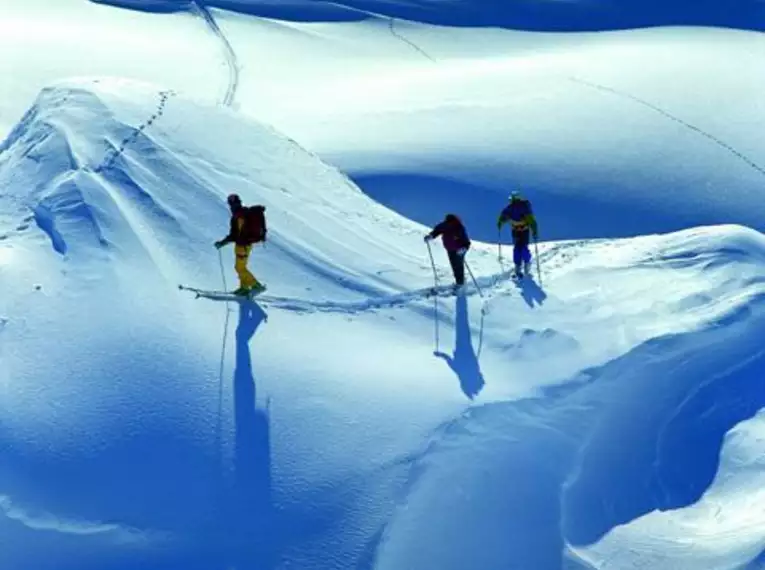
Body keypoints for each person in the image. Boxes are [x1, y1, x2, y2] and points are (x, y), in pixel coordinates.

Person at [215, 193, 267, 296]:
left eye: (231, 204)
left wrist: (222, 243)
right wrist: (223, 242)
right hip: (245, 245)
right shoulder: (244, 213)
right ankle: (244, 288)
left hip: (242, 246)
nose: (231, 207)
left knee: (240, 268)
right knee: (241, 266)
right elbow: (235, 234)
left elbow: (234, 235)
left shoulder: (238, 216)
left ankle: (256, 285)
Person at [497, 190, 538, 278]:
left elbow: (503, 217)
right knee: (521, 248)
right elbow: (532, 221)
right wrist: (534, 230)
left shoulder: (512, 208)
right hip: (522, 230)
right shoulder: (523, 207)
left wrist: (500, 222)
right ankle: (524, 265)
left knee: (519, 248)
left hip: (518, 230)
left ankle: (520, 266)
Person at [424, 214, 471, 289]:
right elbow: (437, 231)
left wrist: (464, 248)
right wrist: (431, 236)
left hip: (458, 249)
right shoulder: (446, 225)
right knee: (455, 266)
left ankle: (460, 283)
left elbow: (465, 240)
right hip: (451, 249)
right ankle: (459, 282)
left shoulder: (458, 227)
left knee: (458, 265)